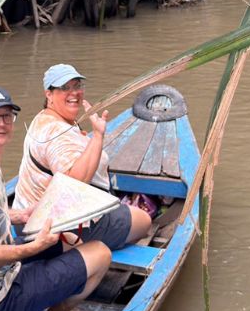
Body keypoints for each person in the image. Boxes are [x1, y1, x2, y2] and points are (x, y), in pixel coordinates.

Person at [0, 85, 110, 311]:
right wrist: (34, 247)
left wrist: (18, 215)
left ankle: (45, 293)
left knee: (69, 241)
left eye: (6, 116)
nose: (1, 123)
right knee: (101, 253)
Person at [13, 63, 152, 250]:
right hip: (55, 227)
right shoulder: (55, 131)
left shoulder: (44, 118)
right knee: (143, 220)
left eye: (77, 86)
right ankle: (92, 249)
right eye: (65, 87)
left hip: (27, 219)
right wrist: (98, 135)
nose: (74, 93)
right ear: (49, 94)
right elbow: (73, 182)